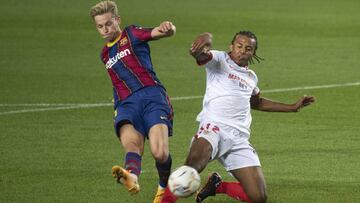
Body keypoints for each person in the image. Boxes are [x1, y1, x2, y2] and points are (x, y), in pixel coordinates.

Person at [161, 31, 315, 203]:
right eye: (239, 46)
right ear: (231, 46)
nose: (242, 51)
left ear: (253, 53)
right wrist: (206, 38)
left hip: (238, 139)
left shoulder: (251, 77)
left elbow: (257, 103)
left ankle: (218, 185)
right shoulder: (219, 60)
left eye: (248, 48)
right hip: (213, 128)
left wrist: (292, 107)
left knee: (258, 197)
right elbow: (200, 54)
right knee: (190, 170)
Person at [89, 1, 176, 202]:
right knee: (131, 143)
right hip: (126, 104)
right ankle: (132, 176)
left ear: (117, 20)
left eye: (108, 23)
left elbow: (160, 32)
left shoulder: (131, 34)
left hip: (152, 96)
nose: (105, 29)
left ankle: (164, 186)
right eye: (100, 26)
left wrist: (168, 28)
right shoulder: (104, 54)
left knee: (160, 152)